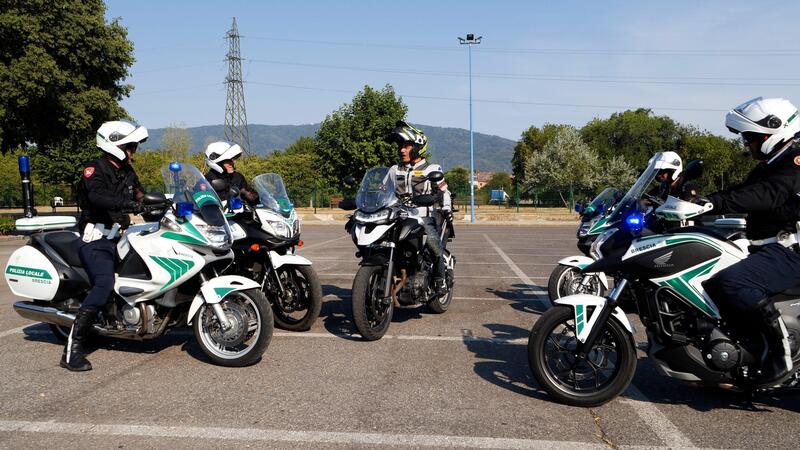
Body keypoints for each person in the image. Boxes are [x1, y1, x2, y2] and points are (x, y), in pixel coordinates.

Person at [701, 97, 800, 386]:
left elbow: (766, 195)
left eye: (752, 137)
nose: (747, 143)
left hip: (789, 252)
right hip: (766, 248)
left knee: (732, 282)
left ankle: (779, 354)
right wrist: (696, 201)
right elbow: (741, 191)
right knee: (709, 278)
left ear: (773, 131)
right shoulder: (769, 165)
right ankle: (741, 353)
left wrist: (712, 204)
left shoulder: (793, 164)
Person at [64, 120, 148, 371]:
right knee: (104, 283)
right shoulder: (94, 169)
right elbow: (96, 197)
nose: (134, 150)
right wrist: (130, 205)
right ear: (114, 145)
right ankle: (72, 350)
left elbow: (141, 196)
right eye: (130, 145)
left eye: (134, 145)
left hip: (121, 236)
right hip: (96, 238)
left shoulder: (128, 172)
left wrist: (166, 206)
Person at [388, 121, 452, 295]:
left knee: (434, 246)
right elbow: (383, 190)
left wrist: (446, 208)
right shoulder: (394, 170)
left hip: (424, 217)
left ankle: (440, 280)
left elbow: (444, 191)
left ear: (417, 147)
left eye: (407, 146)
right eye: (401, 146)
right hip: (400, 217)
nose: (402, 150)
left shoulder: (431, 169)